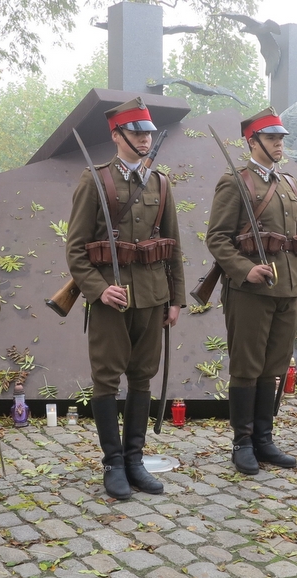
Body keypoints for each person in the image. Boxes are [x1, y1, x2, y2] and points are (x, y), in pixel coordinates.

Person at [66, 97, 186, 500]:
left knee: (142, 375)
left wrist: (175, 299)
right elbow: (77, 250)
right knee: (107, 377)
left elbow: (172, 247)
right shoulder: (95, 180)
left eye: (148, 132)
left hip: (152, 296)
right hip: (110, 299)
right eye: (136, 132)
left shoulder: (161, 183)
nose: (144, 139)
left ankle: (134, 460)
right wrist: (99, 289)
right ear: (116, 135)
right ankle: (113, 463)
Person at [205, 107, 297, 474]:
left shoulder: (290, 183)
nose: (280, 143)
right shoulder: (236, 181)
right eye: (272, 138)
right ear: (253, 142)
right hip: (249, 292)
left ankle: (265, 439)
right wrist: (246, 269)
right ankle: (242, 442)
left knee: (273, 367)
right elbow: (216, 238)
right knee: (247, 368)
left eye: (281, 138)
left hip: (285, 291)